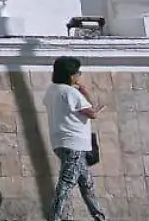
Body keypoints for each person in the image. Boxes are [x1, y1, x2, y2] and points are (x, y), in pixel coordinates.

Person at [45, 56, 108, 221]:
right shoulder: (70, 92)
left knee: (87, 184)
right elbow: (91, 112)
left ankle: (99, 216)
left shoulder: (52, 90)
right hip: (75, 144)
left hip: (60, 142)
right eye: (78, 72)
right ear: (71, 75)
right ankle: (56, 217)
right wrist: (86, 93)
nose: (79, 75)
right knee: (66, 183)